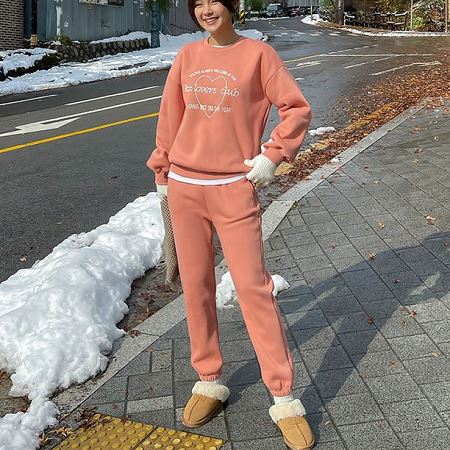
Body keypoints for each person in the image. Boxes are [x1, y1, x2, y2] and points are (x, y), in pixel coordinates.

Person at [147, 1, 313, 448]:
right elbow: (170, 115)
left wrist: (272, 155)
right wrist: (162, 171)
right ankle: (208, 378)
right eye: (197, 3)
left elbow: (295, 109)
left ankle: (282, 395)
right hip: (184, 186)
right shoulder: (187, 56)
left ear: (232, 6)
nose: (205, 10)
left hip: (234, 188)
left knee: (253, 288)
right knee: (196, 284)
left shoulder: (258, 55)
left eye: (213, 1)